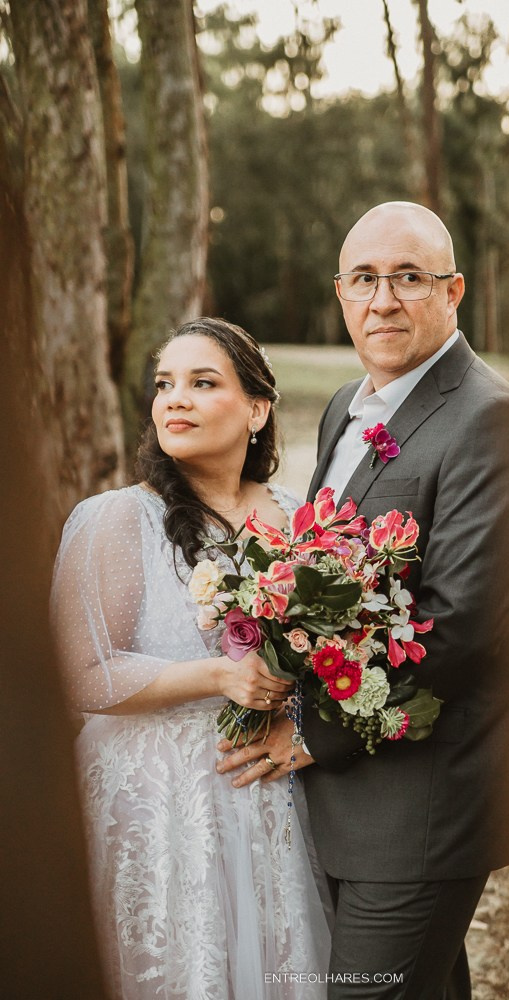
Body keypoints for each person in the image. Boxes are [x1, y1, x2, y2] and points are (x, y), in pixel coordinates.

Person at [218, 203, 509, 999]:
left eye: (408, 277)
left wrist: (310, 735)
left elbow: (459, 625)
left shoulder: (494, 420)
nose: (383, 299)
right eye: (363, 279)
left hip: (423, 801)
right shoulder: (345, 406)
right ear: (339, 292)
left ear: (453, 290)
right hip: (347, 801)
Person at [51, 318, 331, 999]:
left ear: (257, 409)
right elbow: (82, 672)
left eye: (202, 383)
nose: (174, 399)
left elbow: (329, 660)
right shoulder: (115, 519)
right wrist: (215, 675)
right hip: (154, 807)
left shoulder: (301, 521)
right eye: (164, 385)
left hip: (268, 799)